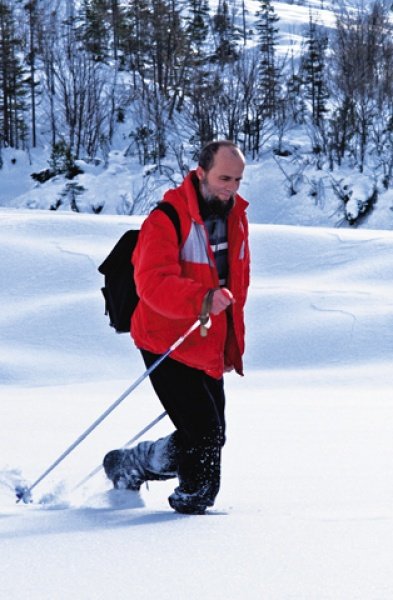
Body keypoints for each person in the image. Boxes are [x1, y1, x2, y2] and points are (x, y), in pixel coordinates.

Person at [103, 140, 250, 514]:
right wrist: (201, 299)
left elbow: (236, 285)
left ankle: (133, 463)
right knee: (205, 437)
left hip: (206, 340)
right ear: (200, 173)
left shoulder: (235, 217)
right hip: (164, 339)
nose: (230, 187)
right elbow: (151, 283)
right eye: (223, 178)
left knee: (211, 437)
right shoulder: (165, 219)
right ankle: (191, 512)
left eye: (237, 179)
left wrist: (230, 345)